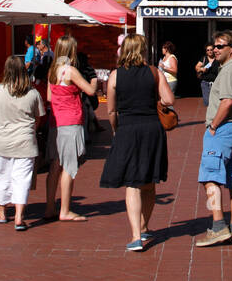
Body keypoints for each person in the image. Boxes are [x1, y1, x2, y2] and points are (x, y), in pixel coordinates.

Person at [100, 34, 172, 251]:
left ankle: (135, 236)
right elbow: (169, 100)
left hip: (128, 128)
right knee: (149, 181)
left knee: (132, 183)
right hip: (151, 128)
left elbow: (111, 110)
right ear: (143, 50)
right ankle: (144, 226)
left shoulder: (115, 76)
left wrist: (115, 128)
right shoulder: (154, 72)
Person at [195, 30, 232, 246]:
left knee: (209, 176)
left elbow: (227, 102)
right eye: (215, 46)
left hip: (224, 129)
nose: (216, 50)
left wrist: (214, 125)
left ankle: (219, 225)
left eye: (221, 46)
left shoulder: (229, 71)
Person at [0, 54, 45, 231]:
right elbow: (38, 117)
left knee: (2, 176)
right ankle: (19, 216)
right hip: (25, 140)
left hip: (3, 140)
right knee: (22, 180)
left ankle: (2, 213)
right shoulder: (32, 93)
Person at [45, 35, 99, 222]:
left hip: (56, 121)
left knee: (55, 165)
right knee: (69, 167)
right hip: (71, 120)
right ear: (71, 51)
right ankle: (65, 210)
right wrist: (94, 80)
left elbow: (50, 98)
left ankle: (50, 207)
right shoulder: (71, 71)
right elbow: (90, 91)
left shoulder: (52, 71)